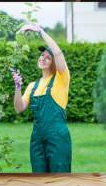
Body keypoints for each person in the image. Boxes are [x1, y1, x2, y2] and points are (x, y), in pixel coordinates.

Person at [12, 23, 72, 173]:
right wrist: (17, 87)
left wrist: (41, 32)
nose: (43, 58)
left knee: (59, 175)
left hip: (57, 137)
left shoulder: (61, 79)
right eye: (41, 56)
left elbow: (58, 53)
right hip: (37, 139)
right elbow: (19, 108)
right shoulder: (32, 85)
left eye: (48, 58)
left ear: (54, 64)